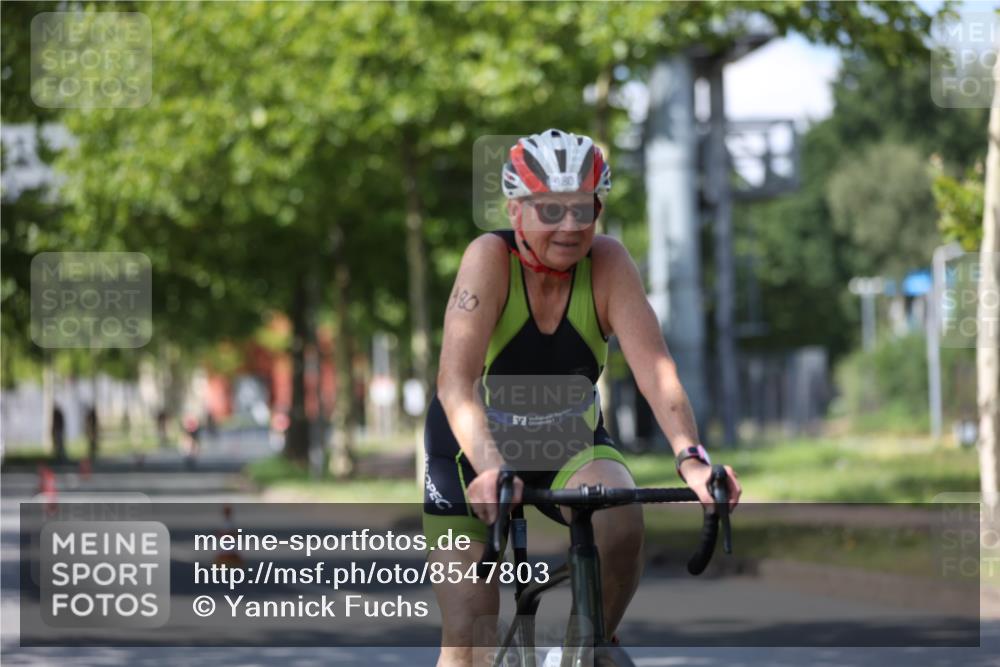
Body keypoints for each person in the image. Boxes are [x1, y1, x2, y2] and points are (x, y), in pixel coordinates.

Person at [423, 129, 743, 666]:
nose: (570, 226)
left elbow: (656, 369)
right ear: (516, 210)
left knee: (620, 517)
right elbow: (454, 383)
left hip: (567, 439)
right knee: (469, 628)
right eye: (550, 210)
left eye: (583, 209)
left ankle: (581, 651)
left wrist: (691, 456)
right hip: (470, 453)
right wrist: (491, 466)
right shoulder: (488, 258)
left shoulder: (610, 263)